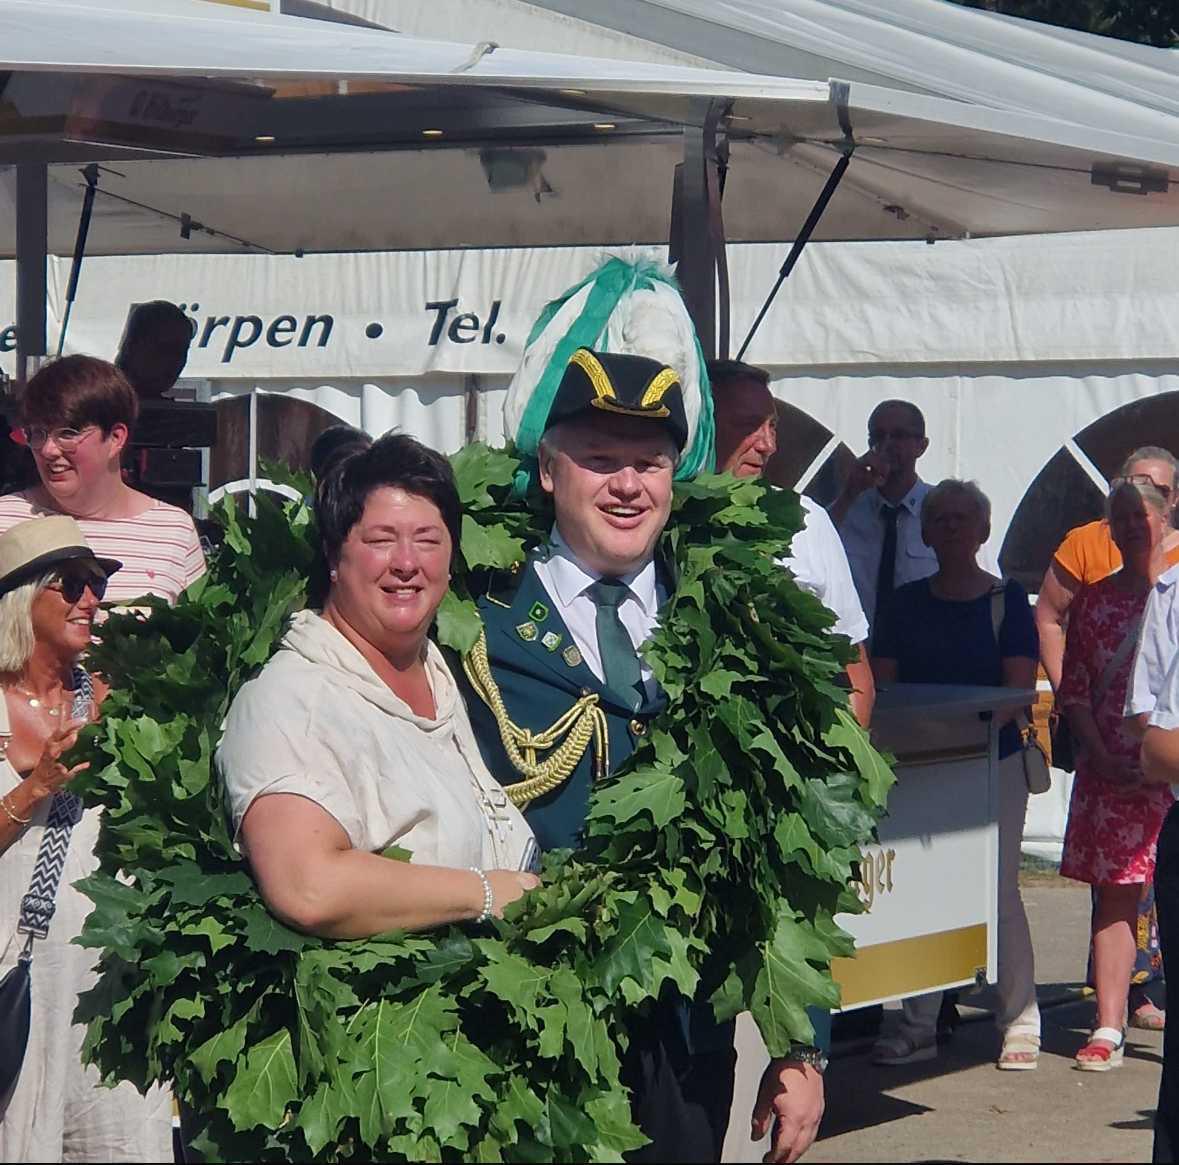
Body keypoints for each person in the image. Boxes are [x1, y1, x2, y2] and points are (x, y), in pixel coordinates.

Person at [462, 347, 825, 1164]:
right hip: (526, 1016)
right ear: (548, 471)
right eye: (599, 460)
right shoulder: (475, 613)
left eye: (649, 463)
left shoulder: (736, 615)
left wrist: (799, 1043)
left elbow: (787, 843)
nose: (627, 485)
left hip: (683, 1027)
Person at [216, 433, 538, 942]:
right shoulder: (290, 700)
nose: (406, 562)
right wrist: (484, 893)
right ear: (333, 555)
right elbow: (308, 887)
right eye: (380, 540)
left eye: (428, 540)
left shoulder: (438, 669)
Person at [0, 515, 172, 1160]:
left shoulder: (115, 695)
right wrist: (34, 788)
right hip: (17, 975)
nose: (91, 599)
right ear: (21, 600)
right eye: (72, 584)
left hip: (109, 976)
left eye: (97, 583)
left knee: (118, 1140)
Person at [870, 479, 1041, 1069]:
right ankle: (919, 1023)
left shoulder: (1008, 601)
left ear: (982, 530)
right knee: (922, 887)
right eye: (939, 518)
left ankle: (1021, 1019)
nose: (950, 528)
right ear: (925, 531)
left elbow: (1018, 689)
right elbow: (884, 687)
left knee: (999, 890)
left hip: (995, 765)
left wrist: (964, 729)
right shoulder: (902, 605)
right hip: (919, 766)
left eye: (962, 518)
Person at [1039, 450, 1179, 1034]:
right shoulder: (1095, 599)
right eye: (1119, 518)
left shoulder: (1174, 592)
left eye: (1141, 514)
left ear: (1167, 514)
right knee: (1116, 897)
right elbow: (1076, 689)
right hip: (1112, 770)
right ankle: (1108, 1024)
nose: (1131, 527)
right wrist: (1098, 753)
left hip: (1170, 771)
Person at [708, 359, 873, 728]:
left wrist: (847, 756)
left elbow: (855, 671)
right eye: (748, 425)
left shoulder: (807, 521)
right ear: (704, 424)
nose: (768, 445)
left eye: (772, 426)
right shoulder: (659, 520)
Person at [0, 355, 205, 606]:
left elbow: (195, 626)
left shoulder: (173, 529)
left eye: (67, 434)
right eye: (37, 434)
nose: (48, 449)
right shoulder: (5, 519)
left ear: (116, 438)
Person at [828, 399, 999, 646]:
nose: (887, 445)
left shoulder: (947, 512)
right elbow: (813, 553)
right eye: (878, 436)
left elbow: (988, 587)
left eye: (898, 436)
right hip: (855, 652)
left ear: (922, 446)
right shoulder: (848, 509)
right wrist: (848, 493)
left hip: (928, 651)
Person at [114, 301, 195, 401]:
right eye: (165, 349)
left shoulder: (176, 411)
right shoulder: (101, 403)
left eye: (182, 351)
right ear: (133, 346)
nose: (175, 361)